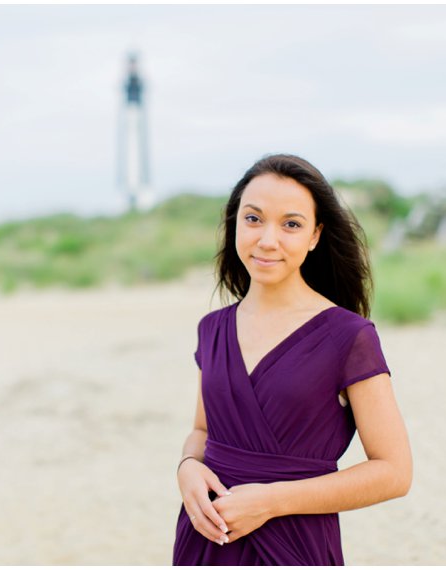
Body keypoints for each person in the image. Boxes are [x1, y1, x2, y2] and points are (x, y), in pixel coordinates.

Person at [172, 154, 412, 565]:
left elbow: (394, 472)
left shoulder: (348, 336)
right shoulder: (211, 329)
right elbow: (201, 429)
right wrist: (187, 468)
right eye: (253, 219)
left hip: (295, 545)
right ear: (235, 224)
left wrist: (270, 501)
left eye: (291, 224)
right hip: (207, 539)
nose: (268, 239)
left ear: (315, 235)